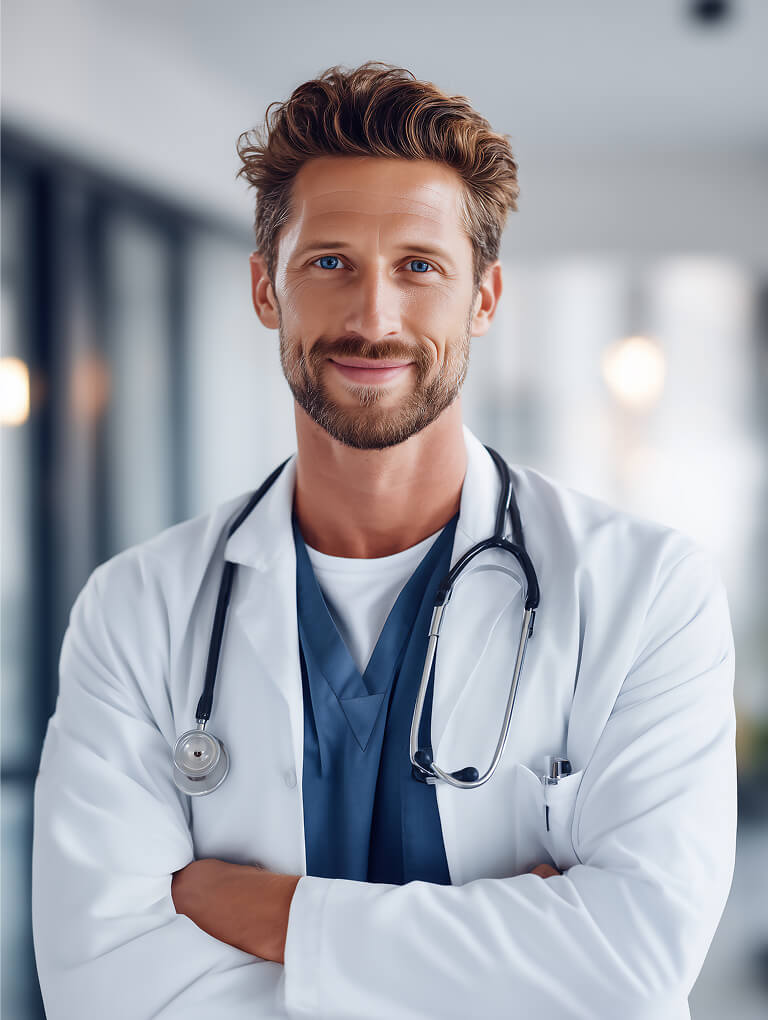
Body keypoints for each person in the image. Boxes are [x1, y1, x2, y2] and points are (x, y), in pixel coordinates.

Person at [32, 61, 736, 1020]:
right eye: (330, 262)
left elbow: (635, 960)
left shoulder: (647, 591)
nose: (373, 318)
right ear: (265, 289)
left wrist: (272, 914)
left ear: (483, 298)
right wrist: (515, 950)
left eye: (419, 265)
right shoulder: (137, 610)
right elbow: (105, 984)